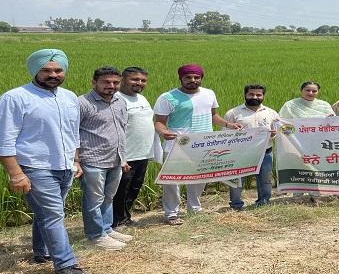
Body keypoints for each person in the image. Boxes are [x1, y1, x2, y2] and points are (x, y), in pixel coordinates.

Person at [0, 49, 92, 274]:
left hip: (64, 165)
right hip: (35, 166)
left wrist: (76, 160)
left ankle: (41, 252)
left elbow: (73, 133)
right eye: (46, 70)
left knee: (47, 213)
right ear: (35, 70)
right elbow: (1, 140)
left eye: (58, 70)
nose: (53, 74)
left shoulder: (69, 97)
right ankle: (66, 265)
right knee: (53, 214)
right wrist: (16, 174)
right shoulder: (15, 98)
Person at [154, 64, 241, 225]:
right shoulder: (167, 97)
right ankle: (171, 213)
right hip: (177, 144)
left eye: (196, 77)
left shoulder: (209, 94)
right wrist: (164, 132)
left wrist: (229, 125)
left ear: (201, 78)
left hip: (203, 143)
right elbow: (159, 122)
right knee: (172, 179)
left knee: (200, 177)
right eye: (188, 77)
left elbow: (214, 116)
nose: (192, 80)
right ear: (181, 78)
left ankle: (194, 208)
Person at [78, 66, 133, 250]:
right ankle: (95, 236)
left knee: (108, 197)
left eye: (115, 82)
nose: (111, 86)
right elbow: (72, 133)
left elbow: (122, 129)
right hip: (92, 160)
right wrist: (76, 160)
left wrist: (123, 158)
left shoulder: (120, 101)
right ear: (94, 82)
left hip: (115, 159)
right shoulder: (83, 103)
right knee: (93, 200)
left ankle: (106, 229)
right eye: (106, 82)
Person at [112, 67, 157, 228]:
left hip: (142, 153)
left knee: (134, 187)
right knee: (120, 190)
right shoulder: (116, 99)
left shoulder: (141, 99)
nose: (139, 83)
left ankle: (125, 217)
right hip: (126, 155)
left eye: (143, 80)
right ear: (123, 79)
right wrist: (121, 156)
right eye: (135, 79)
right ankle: (116, 221)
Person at [224, 84, 280, 210]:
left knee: (265, 178)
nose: (255, 97)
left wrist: (273, 135)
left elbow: (277, 131)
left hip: (265, 152)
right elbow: (225, 134)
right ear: (245, 95)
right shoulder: (233, 113)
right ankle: (236, 205)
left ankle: (263, 202)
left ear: (263, 96)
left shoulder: (271, 113)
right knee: (237, 179)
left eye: (258, 95)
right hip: (240, 153)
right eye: (251, 94)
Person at [279, 81, 334, 197]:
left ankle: (315, 194)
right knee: (298, 166)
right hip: (296, 142)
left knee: (314, 166)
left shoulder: (324, 105)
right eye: (307, 90)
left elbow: (332, 124)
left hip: (317, 143)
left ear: (318, 92)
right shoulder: (290, 105)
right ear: (301, 91)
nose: (311, 93)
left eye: (314, 91)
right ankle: (298, 195)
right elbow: (282, 123)